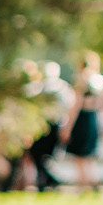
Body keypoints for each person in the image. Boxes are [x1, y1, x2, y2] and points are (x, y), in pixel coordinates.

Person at [63, 51, 103, 192]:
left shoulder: (81, 79)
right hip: (92, 118)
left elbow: (76, 104)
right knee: (88, 156)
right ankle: (91, 182)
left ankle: (82, 185)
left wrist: (67, 127)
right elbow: (102, 105)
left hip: (81, 118)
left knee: (79, 156)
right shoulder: (101, 81)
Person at [25, 61, 71, 191]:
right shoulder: (57, 88)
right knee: (41, 155)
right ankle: (47, 180)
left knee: (43, 155)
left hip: (51, 124)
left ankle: (48, 180)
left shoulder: (57, 88)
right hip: (46, 125)